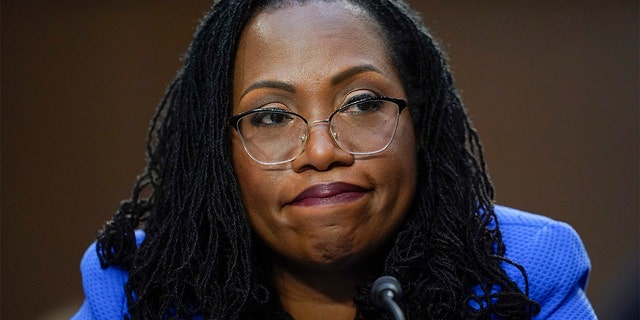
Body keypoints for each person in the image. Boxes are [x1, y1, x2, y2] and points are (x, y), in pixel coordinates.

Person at [72, 0, 597, 319]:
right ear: (217, 155)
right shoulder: (135, 292)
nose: (322, 152)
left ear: (423, 126)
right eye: (272, 117)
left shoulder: (525, 272)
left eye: (363, 104)